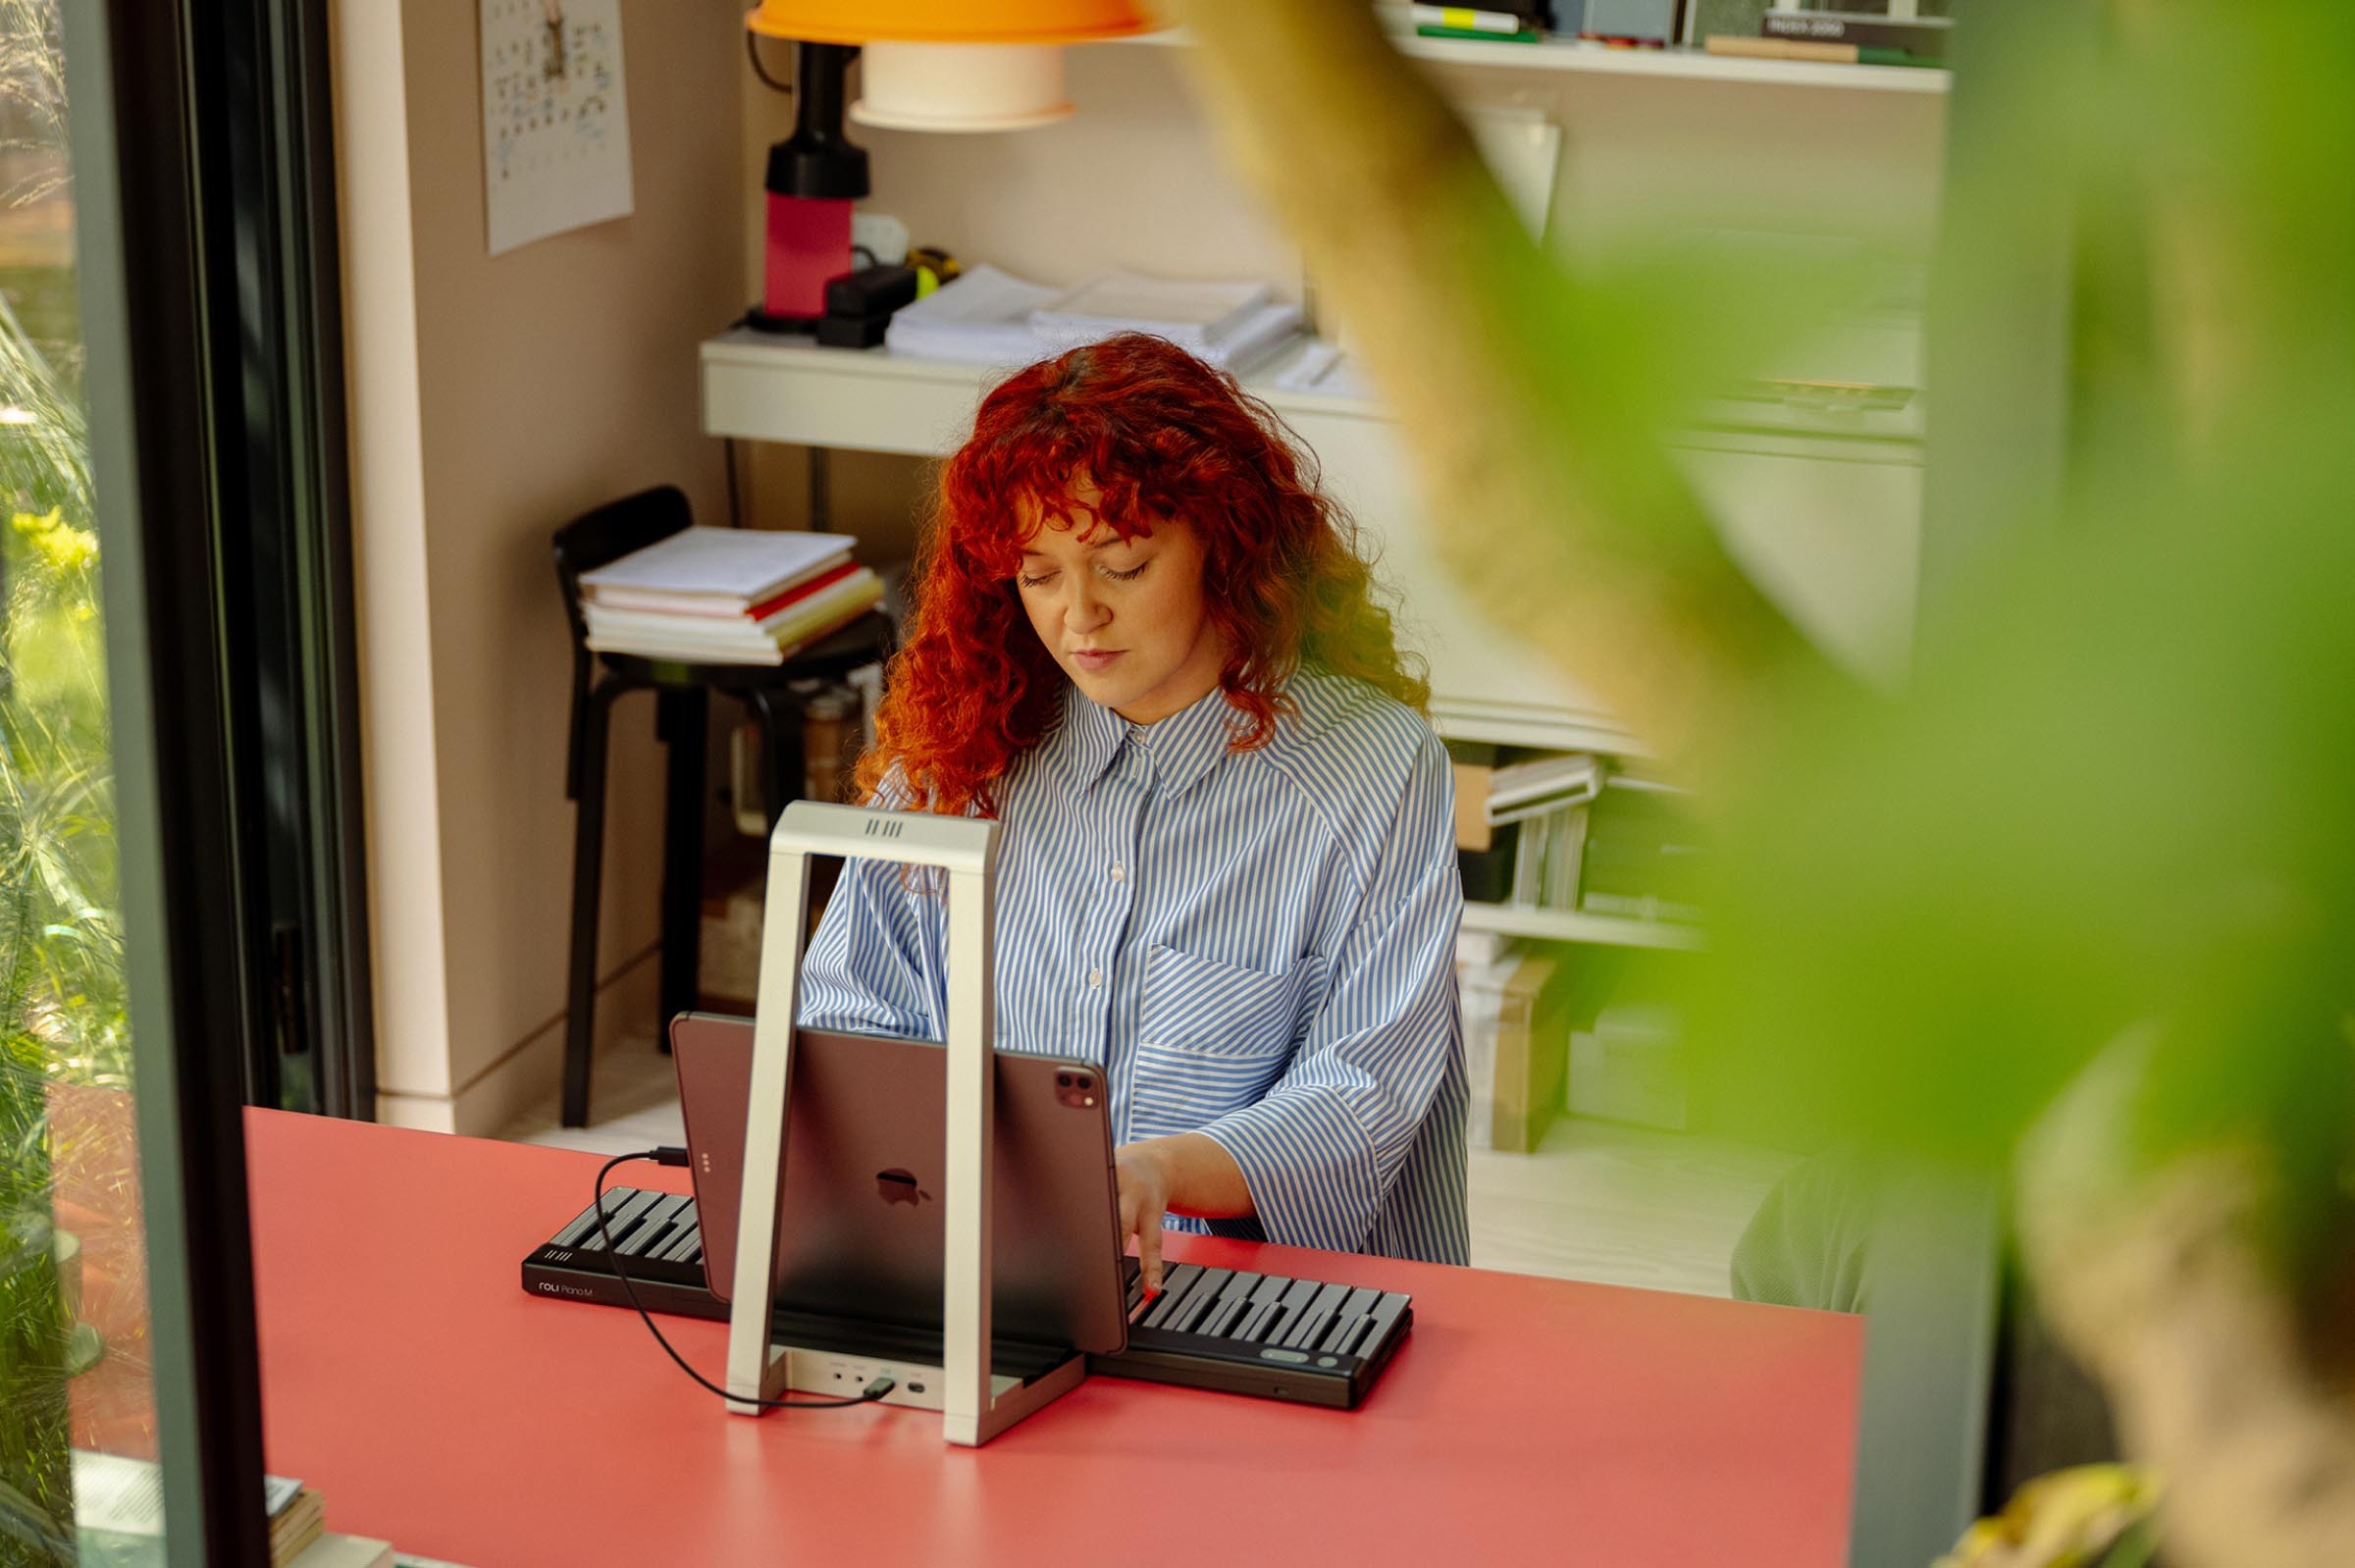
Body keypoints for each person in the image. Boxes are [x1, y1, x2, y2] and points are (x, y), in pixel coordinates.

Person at [799, 333, 1468, 1286]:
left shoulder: (1376, 770)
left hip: (1274, 1308)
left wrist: (1156, 1168)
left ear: (1221, 542)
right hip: (1003, 1281)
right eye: (1039, 574)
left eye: (1120, 565)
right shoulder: (965, 746)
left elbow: (1361, 1092)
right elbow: (850, 1010)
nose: (1078, 616)